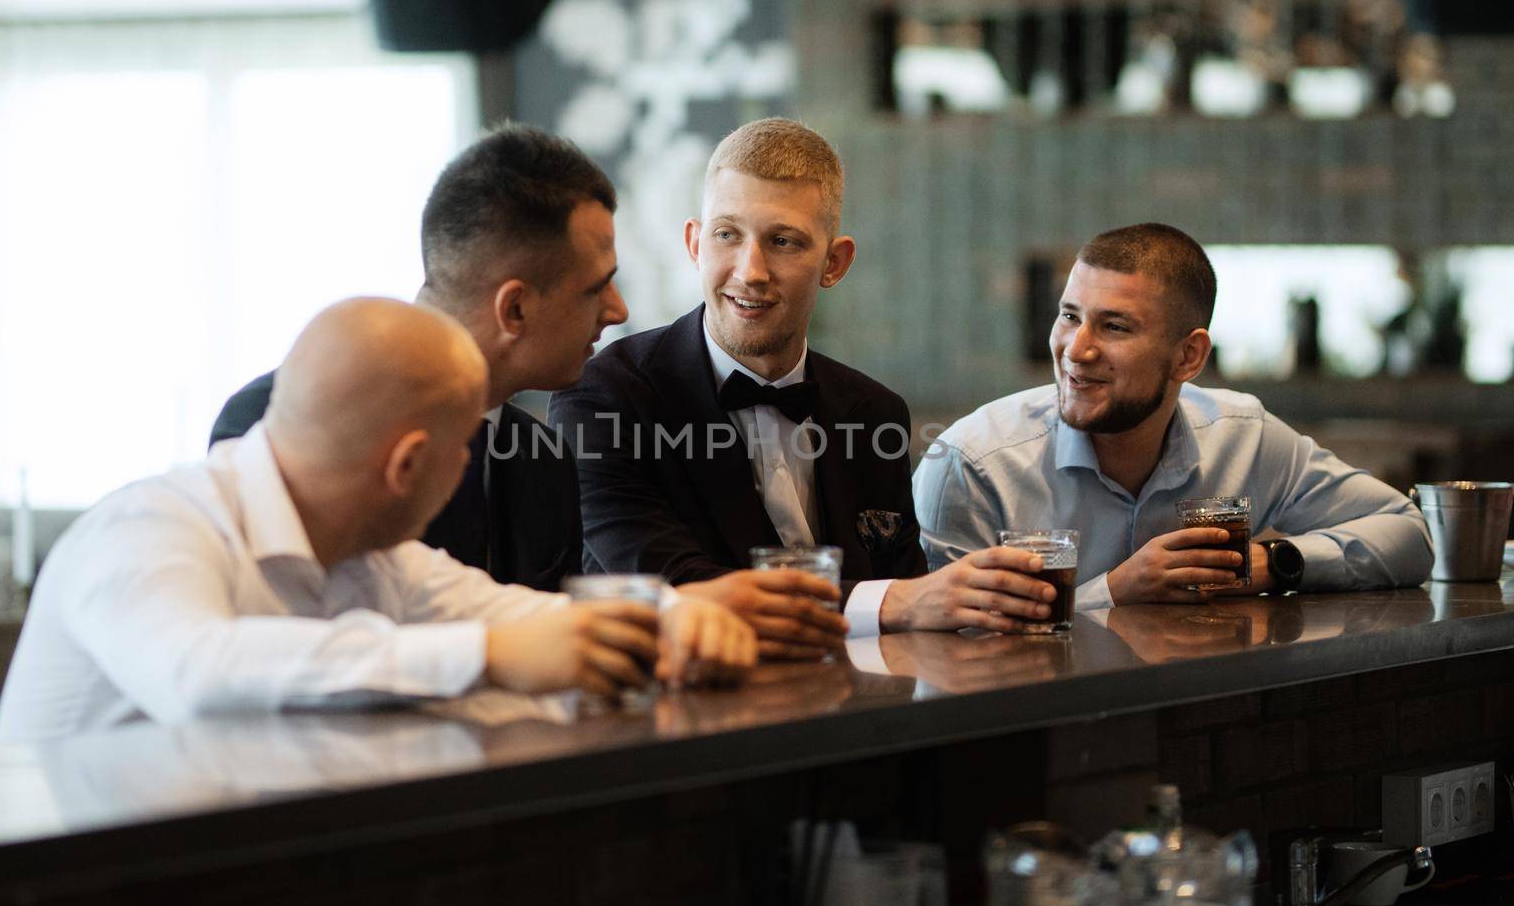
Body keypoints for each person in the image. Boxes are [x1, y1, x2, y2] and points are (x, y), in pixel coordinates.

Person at [0, 299, 755, 743]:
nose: (469, 470)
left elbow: (520, 615)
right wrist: (488, 655)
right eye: (464, 448)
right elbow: (198, 673)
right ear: (408, 466)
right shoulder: (148, 526)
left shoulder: (373, 556)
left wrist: (670, 621)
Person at [550, 118, 1058, 639]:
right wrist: (891, 602)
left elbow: (913, 613)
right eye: (728, 235)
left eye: (784, 242)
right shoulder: (603, 399)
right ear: (695, 244)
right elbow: (679, 590)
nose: (751, 270)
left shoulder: (874, 409)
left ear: (835, 263)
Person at [913, 222, 1434, 614]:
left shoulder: (1243, 436)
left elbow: (1409, 534)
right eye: (1070, 316)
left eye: (1114, 327)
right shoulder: (972, 464)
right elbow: (947, 640)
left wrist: (1270, 564)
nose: (1077, 349)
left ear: (1189, 356)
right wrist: (1116, 590)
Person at [210, 124, 628, 593]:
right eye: (597, 288)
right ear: (515, 309)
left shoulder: (545, 463)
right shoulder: (274, 421)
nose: (618, 311)